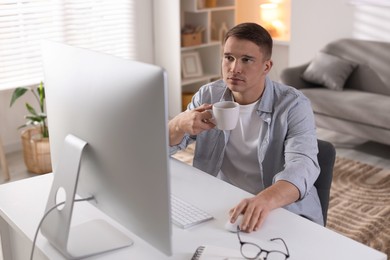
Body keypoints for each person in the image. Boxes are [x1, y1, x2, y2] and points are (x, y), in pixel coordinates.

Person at [168, 23, 323, 232]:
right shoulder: (208, 96)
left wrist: (264, 200)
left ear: (266, 67)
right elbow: (158, 150)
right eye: (228, 57)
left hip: (279, 207)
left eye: (247, 60)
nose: (234, 68)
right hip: (222, 201)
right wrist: (178, 125)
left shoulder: (294, 105)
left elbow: (303, 165)